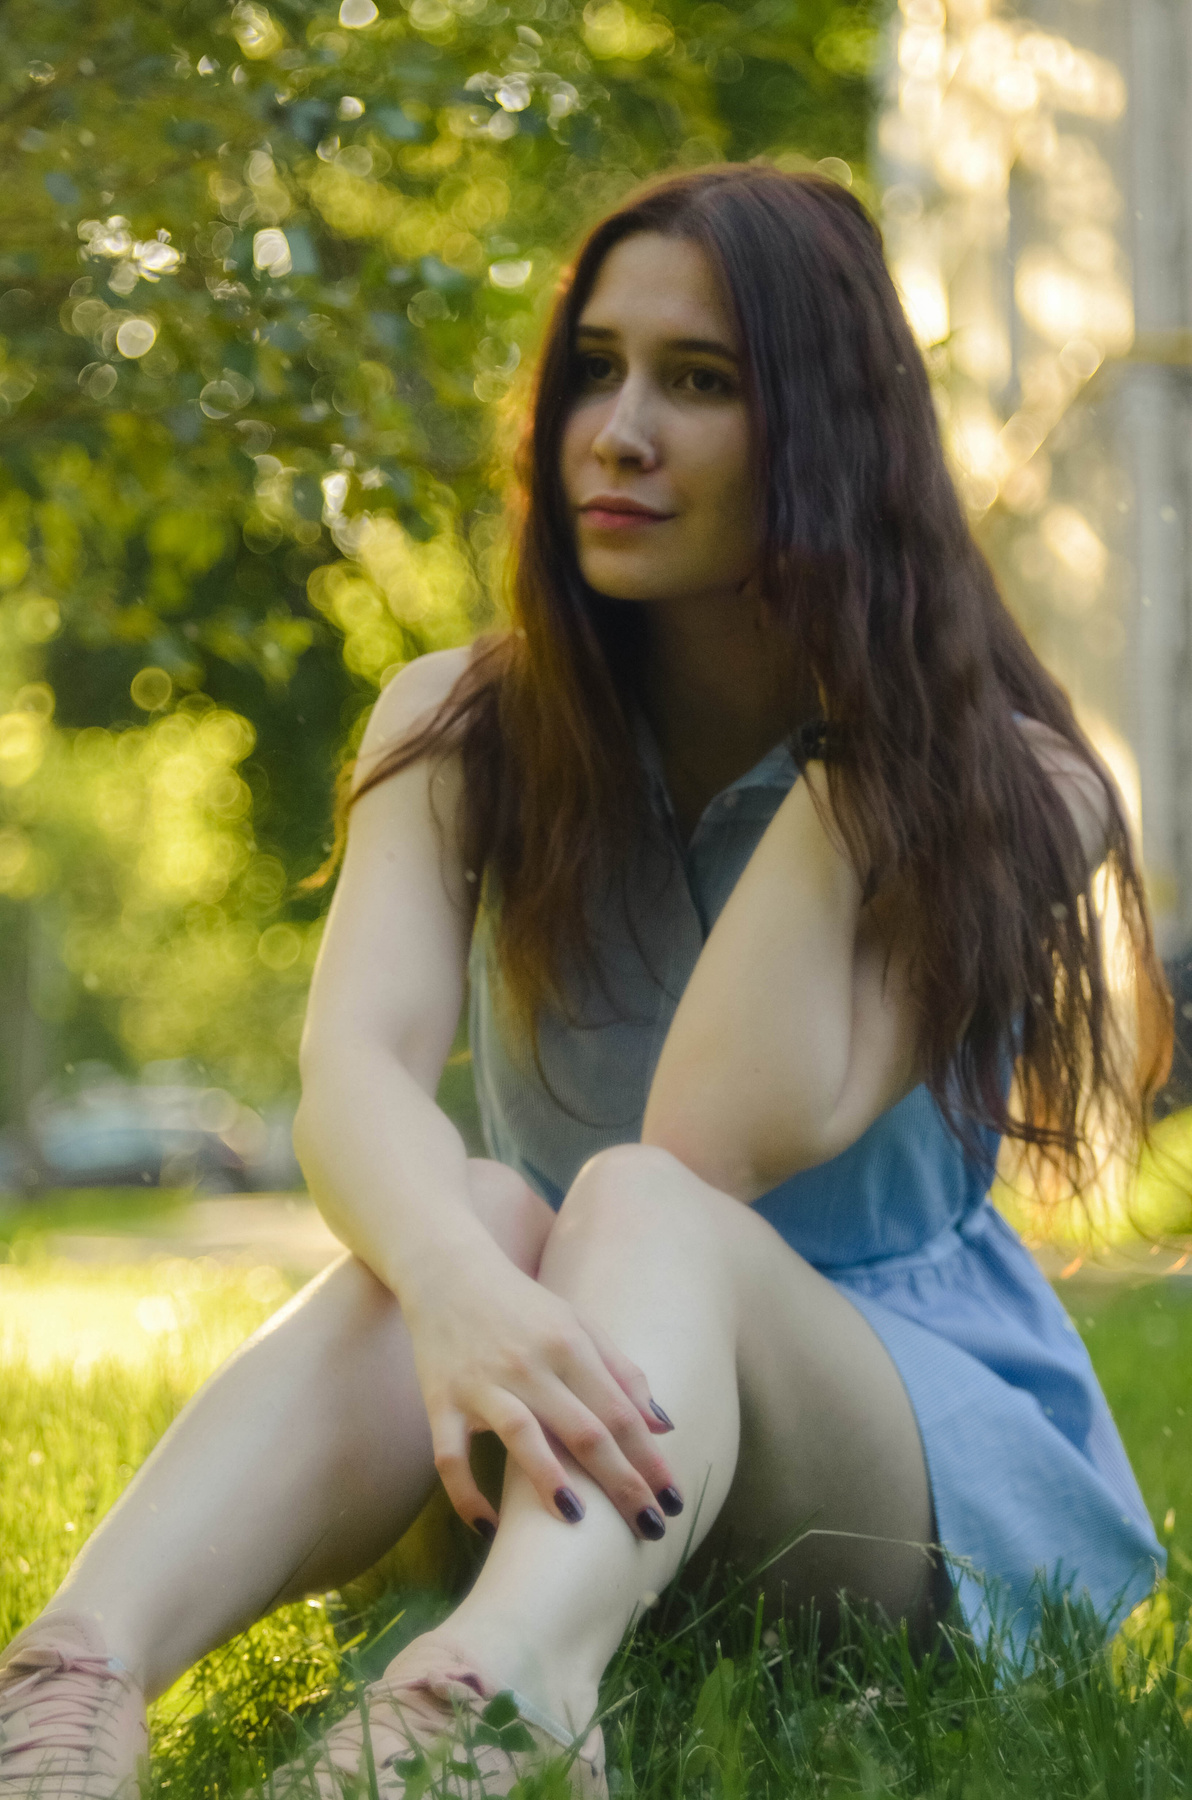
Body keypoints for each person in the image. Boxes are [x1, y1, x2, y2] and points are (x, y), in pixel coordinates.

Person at [0, 166, 1171, 1800]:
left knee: (634, 1199)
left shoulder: (1012, 784)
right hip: (544, 1372)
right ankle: (74, 1679)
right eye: (594, 374)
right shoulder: (457, 727)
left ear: (833, 438)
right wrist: (459, 1286)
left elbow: (709, 1142)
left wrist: (853, 760)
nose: (618, 434)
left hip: (881, 1441)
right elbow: (353, 1080)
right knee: (476, 1211)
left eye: (700, 382)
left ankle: (502, 1691)